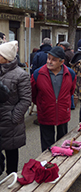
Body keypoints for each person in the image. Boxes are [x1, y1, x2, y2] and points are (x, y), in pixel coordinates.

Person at [31, 46, 77, 152]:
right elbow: (33, 94)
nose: (49, 62)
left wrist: (63, 103)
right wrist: (42, 104)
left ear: (62, 62)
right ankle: (47, 166)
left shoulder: (70, 74)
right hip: (45, 112)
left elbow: (71, 91)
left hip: (63, 112)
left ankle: (62, 166)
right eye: (49, 58)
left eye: (54, 60)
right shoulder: (38, 74)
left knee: (62, 142)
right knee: (47, 146)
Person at [0, 41, 31, 174]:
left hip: (10, 121)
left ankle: (11, 179)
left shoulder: (21, 75)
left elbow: (25, 100)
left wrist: (14, 117)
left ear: (6, 57)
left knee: (11, 152)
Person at [59, 41, 76, 109]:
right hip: (72, 72)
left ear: (64, 47)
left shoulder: (65, 54)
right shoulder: (71, 53)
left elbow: (64, 65)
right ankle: (72, 105)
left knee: (67, 90)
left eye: (61, 46)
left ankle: (71, 105)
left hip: (67, 73)